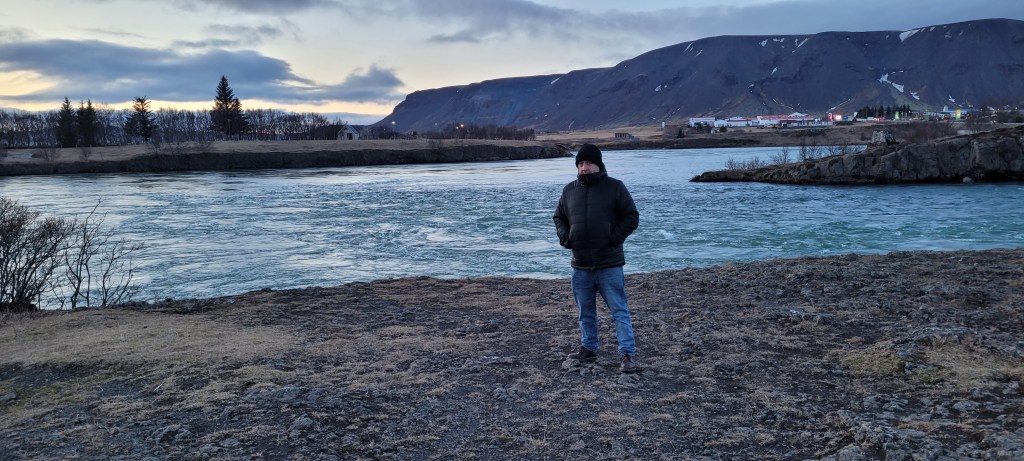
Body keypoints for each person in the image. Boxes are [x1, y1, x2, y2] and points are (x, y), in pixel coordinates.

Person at [553, 143, 641, 373]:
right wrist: (566, 238)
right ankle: (588, 347)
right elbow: (559, 217)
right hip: (580, 264)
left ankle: (627, 354)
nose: (584, 167)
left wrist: (613, 238)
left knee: (619, 310)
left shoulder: (615, 187)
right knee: (585, 312)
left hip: (609, 263)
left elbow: (631, 216)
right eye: (581, 163)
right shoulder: (569, 190)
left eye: (589, 163)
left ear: (598, 165)